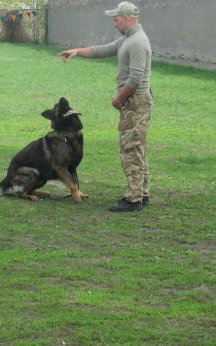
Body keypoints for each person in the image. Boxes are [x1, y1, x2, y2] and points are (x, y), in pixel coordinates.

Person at [58, 2, 153, 212]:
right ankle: (142, 193)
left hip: (135, 101)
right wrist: (77, 51)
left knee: (131, 149)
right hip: (133, 101)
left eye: (116, 19)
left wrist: (119, 98)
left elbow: (136, 77)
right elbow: (102, 50)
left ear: (127, 17)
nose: (114, 23)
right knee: (136, 148)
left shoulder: (138, 42)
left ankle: (134, 199)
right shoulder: (128, 39)